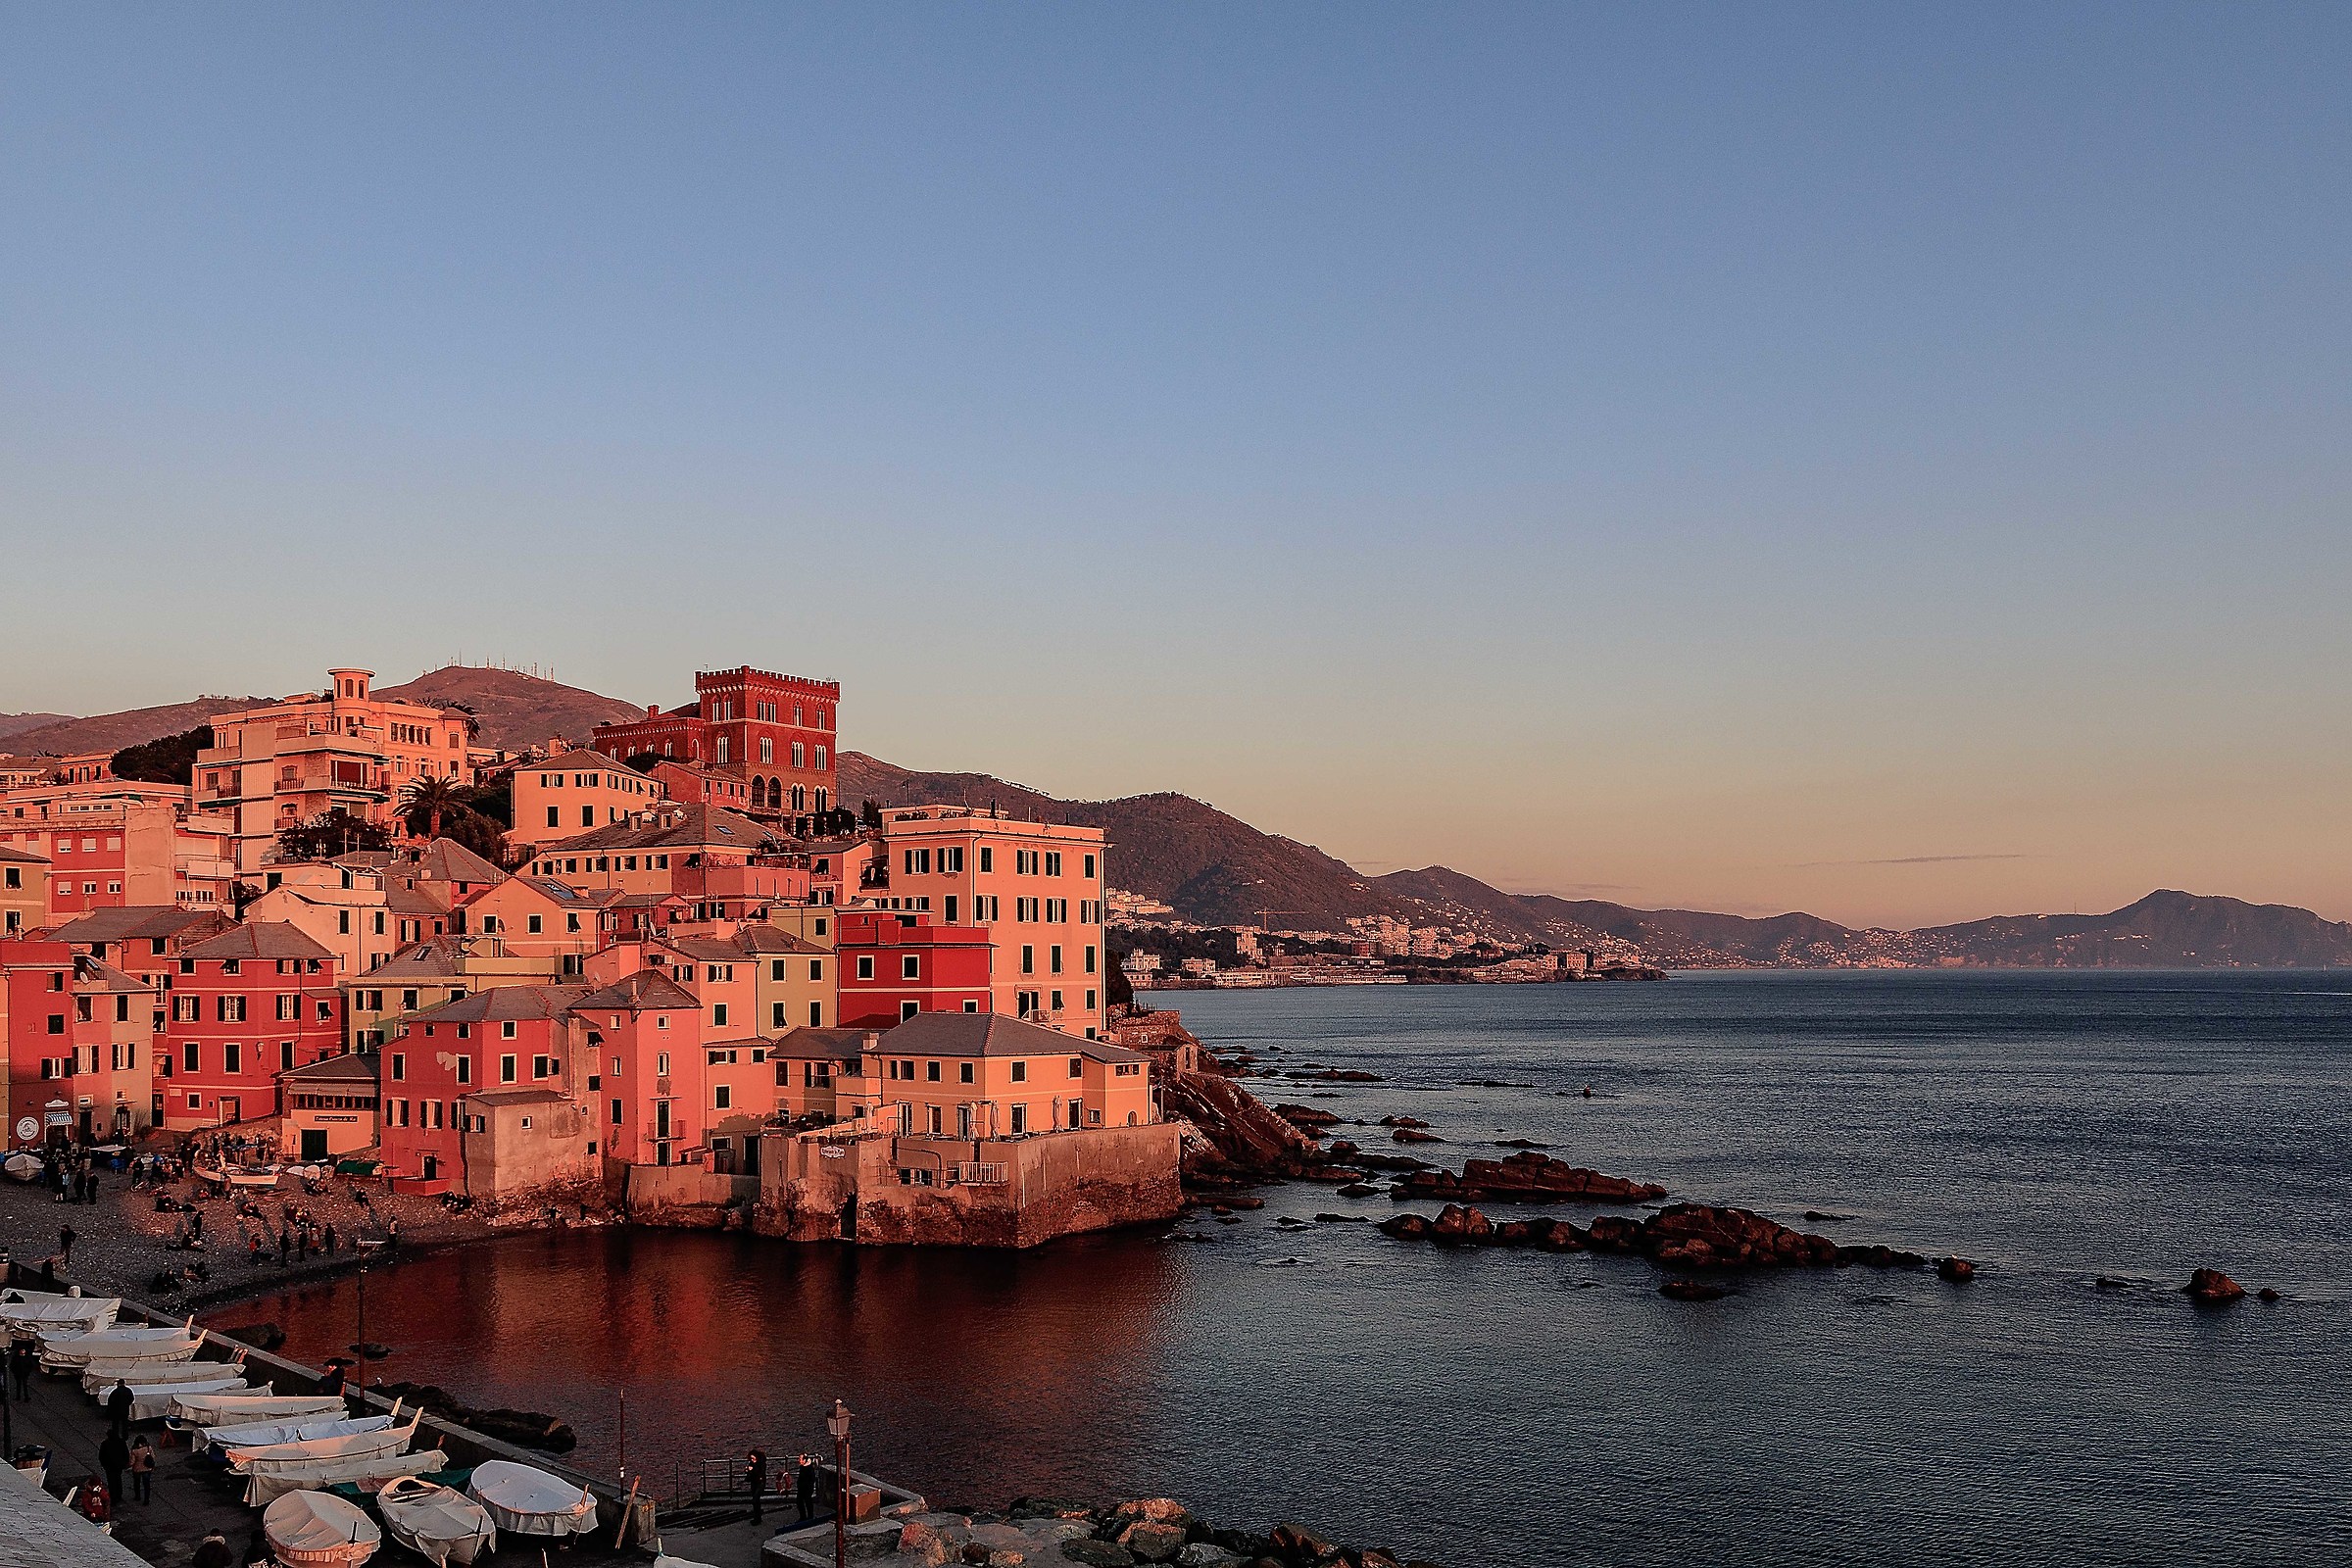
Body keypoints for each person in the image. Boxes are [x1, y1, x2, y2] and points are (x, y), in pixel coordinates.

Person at [100, 1430, 129, 1506]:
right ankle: (119, 1495)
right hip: (118, 1466)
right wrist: (124, 1463)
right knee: (118, 1479)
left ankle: (113, 1497)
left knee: (111, 1482)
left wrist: (104, 1465)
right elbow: (126, 1453)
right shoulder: (121, 1442)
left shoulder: (105, 1444)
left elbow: (101, 1456)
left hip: (109, 1466)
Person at [127, 1434, 156, 1503]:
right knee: (146, 1485)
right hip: (147, 1468)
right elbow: (153, 1457)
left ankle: (137, 1496)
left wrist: (127, 1465)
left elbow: (132, 1462)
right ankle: (146, 1499)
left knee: (137, 1483)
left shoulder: (135, 1450)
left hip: (137, 1469)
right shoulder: (148, 1448)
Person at [745, 1447, 767, 1522]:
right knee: (755, 1500)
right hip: (754, 1482)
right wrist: (747, 1470)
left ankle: (757, 1517)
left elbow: (760, 1473)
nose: (752, 1460)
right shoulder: (752, 1463)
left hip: (760, 1483)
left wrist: (752, 1469)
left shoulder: (761, 1463)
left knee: (756, 1499)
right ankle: (757, 1517)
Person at [796, 1451, 818, 1523]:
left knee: (808, 1502)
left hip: (807, 1488)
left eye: (800, 1459)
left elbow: (812, 1479)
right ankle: (803, 1516)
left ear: (804, 1460)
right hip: (802, 1488)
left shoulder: (809, 1468)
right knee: (800, 1502)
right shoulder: (803, 1467)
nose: (799, 1461)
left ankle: (809, 1517)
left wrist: (806, 1485)